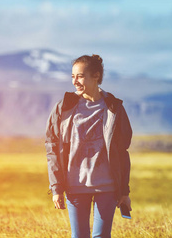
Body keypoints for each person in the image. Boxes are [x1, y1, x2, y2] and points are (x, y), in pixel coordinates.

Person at [45, 54, 132, 238]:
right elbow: (52, 147)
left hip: (107, 186)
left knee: (101, 236)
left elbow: (122, 151)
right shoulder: (64, 107)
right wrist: (56, 188)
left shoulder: (114, 107)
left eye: (80, 76)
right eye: (73, 77)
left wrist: (124, 191)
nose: (75, 81)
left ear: (96, 76)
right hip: (75, 185)